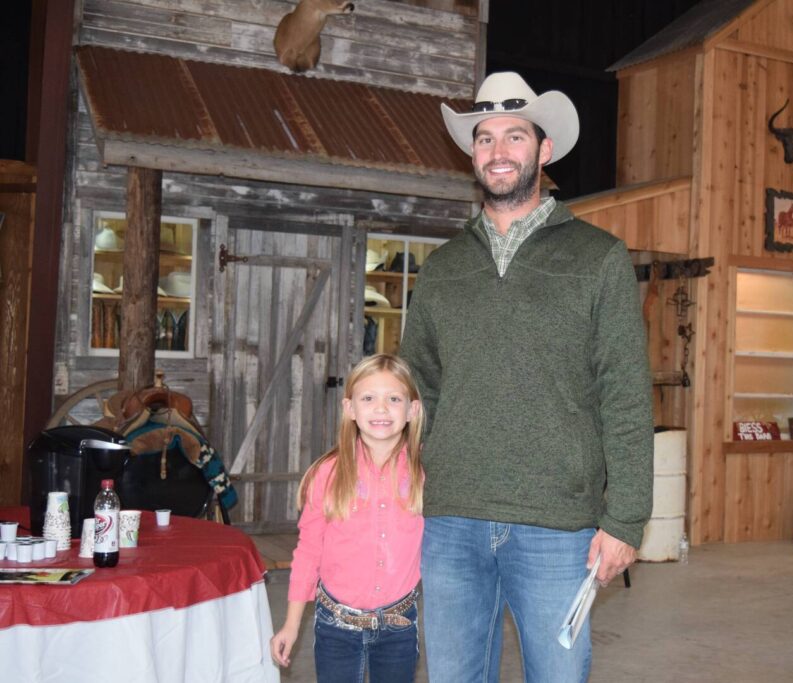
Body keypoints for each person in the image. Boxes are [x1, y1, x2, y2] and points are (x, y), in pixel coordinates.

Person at [399, 71, 654, 681]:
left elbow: (624, 393)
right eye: (485, 138)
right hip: (453, 519)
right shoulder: (442, 269)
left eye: (514, 136)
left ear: (543, 150)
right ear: (473, 154)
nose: (498, 151)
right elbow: (415, 389)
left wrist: (625, 518)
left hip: (558, 527)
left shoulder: (598, 258)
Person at [270, 353, 425, 682]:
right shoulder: (327, 474)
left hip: (399, 624)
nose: (381, 408)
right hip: (336, 625)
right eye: (368, 398)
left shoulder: (425, 475)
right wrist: (291, 624)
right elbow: (308, 551)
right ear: (349, 408)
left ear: (412, 410)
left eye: (393, 399)